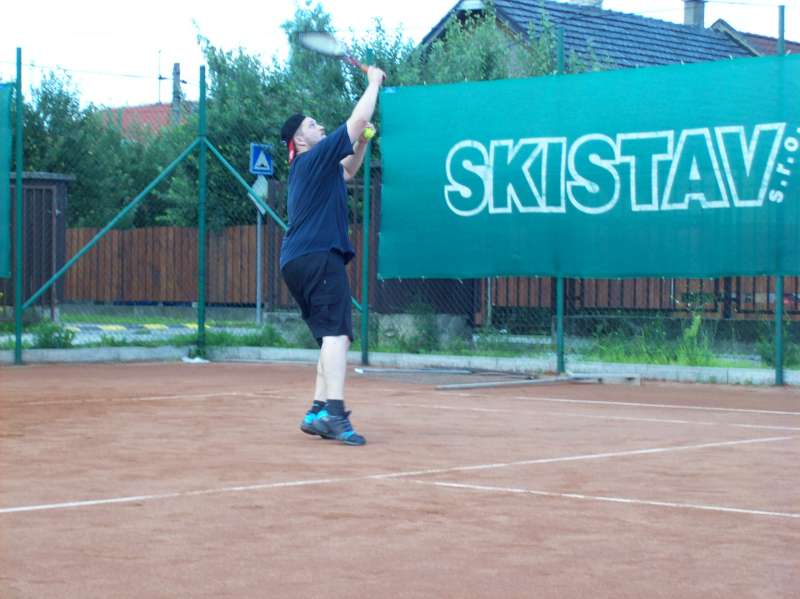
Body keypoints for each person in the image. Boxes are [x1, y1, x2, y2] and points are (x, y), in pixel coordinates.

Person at [279, 65, 386, 446]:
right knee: (337, 334)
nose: (320, 126)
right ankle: (335, 415)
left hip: (297, 260)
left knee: (331, 336)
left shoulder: (313, 168)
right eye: (312, 124)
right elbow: (356, 120)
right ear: (299, 139)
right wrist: (373, 83)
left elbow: (348, 171)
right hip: (318, 256)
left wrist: (362, 144)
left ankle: (317, 410)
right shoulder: (312, 159)